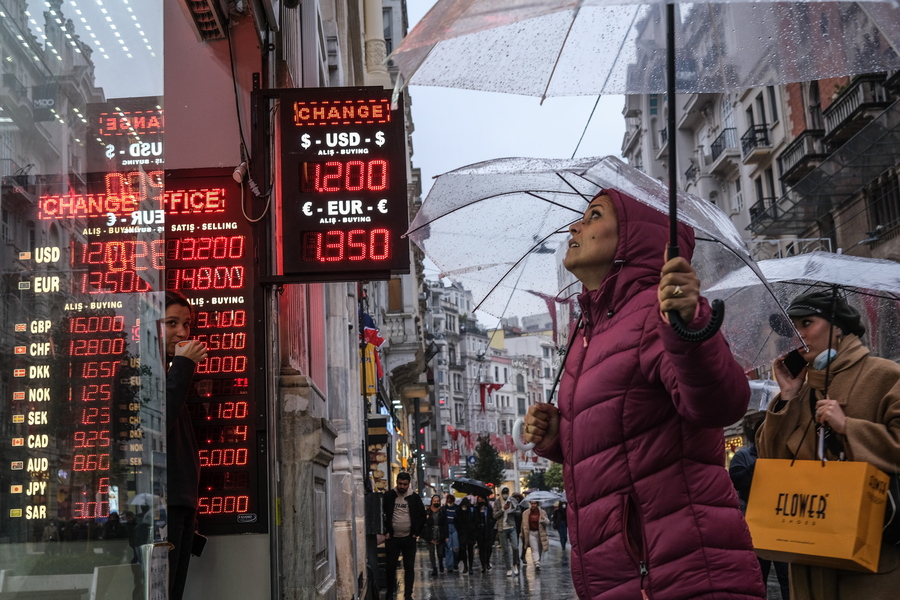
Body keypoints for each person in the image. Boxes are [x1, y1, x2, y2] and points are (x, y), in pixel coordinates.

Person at [523, 189, 764, 599]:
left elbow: (720, 404)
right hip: (623, 575)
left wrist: (690, 328)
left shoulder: (657, 311)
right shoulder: (590, 329)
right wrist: (557, 440)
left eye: (593, 215)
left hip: (677, 569)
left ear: (633, 237)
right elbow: (624, 437)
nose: (573, 227)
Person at [757, 289, 900, 600]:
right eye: (791, 330)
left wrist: (849, 427)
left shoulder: (884, 375)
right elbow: (770, 461)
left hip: (872, 560)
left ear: (838, 326)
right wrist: (787, 396)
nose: (798, 336)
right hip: (810, 554)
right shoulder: (800, 388)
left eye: (806, 323)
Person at [164, 290, 208, 600]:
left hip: (181, 507)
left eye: (186, 324)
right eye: (171, 323)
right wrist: (182, 366)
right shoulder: (141, 370)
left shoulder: (170, 372)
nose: (182, 333)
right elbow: (156, 419)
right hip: (160, 510)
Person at [730, 417, 790, 599]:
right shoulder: (744, 456)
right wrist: (760, 465)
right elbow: (738, 482)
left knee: (786, 577)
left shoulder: (782, 455)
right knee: (758, 577)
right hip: (757, 525)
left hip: (782, 525)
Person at [382, 472, 426, 600]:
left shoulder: (414, 497)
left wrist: (416, 533)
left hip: (409, 538)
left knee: (409, 567)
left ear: (408, 484)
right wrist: (386, 531)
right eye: (400, 484)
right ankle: (390, 592)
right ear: (397, 482)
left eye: (405, 484)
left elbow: (422, 516)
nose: (402, 486)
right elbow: (382, 513)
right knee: (390, 567)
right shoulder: (389, 496)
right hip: (392, 538)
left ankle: (408, 594)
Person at [492, 487, 519, 577]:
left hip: (512, 526)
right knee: (505, 550)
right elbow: (495, 515)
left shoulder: (512, 500)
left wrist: (513, 510)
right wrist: (503, 509)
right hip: (502, 528)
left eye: (506, 492)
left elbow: (519, 512)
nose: (505, 494)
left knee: (515, 547)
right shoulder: (497, 502)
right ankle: (508, 568)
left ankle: (514, 564)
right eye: (503, 493)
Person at [421, 494, 447, 576]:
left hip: (440, 533)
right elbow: (424, 523)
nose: (436, 502)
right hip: (430, 534)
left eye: (437, 501)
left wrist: (446, 536)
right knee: (431, 552)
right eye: (434, 501)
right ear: (432, 502)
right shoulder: (428, 511)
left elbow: (445, 524)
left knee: (440, 552)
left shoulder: (442, 511)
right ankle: (434, 568)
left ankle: (440, 563)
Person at [520, 500, 550, 571]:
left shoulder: (542, 512)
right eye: (532, 503)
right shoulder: (525, 513)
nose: (533, 505)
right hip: (531, 533)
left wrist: (543, 519)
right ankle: (537, 563)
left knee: (539, 549)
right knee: (534, 548)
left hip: (540, 533)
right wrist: (522, 534)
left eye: (535, 503)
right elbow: (523, 524)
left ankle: (537, 562)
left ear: (537, 504)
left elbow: (547, 522)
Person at [454, 497, 477, 574]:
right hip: (462, 534)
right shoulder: (458, 511)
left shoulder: (472, 511)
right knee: (463, 550)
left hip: (470, 534)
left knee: (470, 551)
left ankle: (470, 567)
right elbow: (456, 522)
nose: (464, 507)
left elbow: (474, 521)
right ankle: (465, 566)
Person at [473, 496, 495, 573]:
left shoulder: (488, 508)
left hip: (488, 530)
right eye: (479, 499)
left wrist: (491, 526)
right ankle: (483, 565)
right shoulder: (476, 509)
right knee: (481, 549)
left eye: (482, 499)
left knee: (489, 548)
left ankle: (487, 561)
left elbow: (493, 518)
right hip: (479, 531)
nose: (481, 501)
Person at [441, 494, 459, 573]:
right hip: (447, 528)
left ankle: (455, 562)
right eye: (448, 499)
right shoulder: (444, 509)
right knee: (448, 548)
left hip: (455, 527)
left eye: (451, 499)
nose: (449, 501)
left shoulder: (456, 508)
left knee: (456, 547)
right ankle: (449, 566)